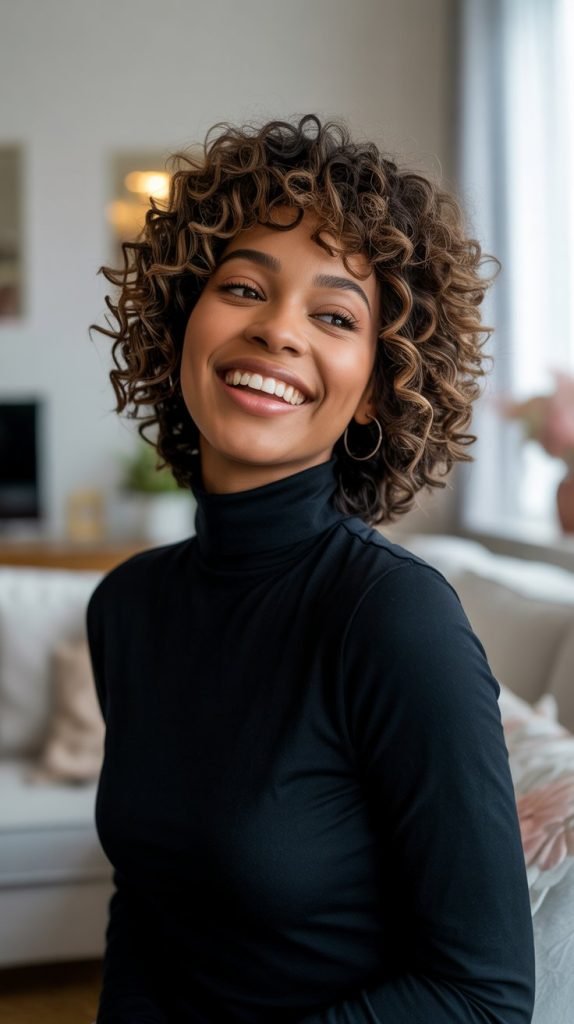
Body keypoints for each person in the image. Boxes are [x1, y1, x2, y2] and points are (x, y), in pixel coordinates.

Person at [87, 114, 535, 1023]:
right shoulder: (126, 607)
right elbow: (145, 914)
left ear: (376, 384)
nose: (279, 332)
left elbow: (483, 996)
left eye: (334, 315)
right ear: (184, 322)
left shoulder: (396, 620)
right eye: (244, 287)